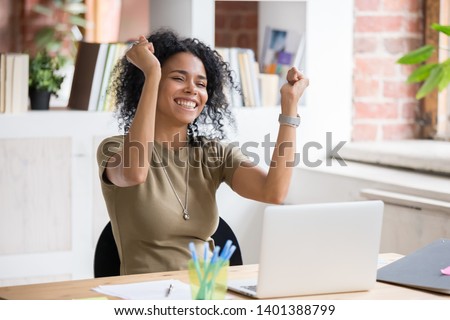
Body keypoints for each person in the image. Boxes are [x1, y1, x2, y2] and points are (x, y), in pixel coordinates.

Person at [97, 29, 309, 275]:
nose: (192, 89)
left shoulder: (213, 153)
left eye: (201, 83)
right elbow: (135, 174)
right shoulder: (114, 149)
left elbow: (274, 192)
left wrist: (289, 107)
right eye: (178, 78)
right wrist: (152, 72)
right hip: (146, 295)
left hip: (206, 291)